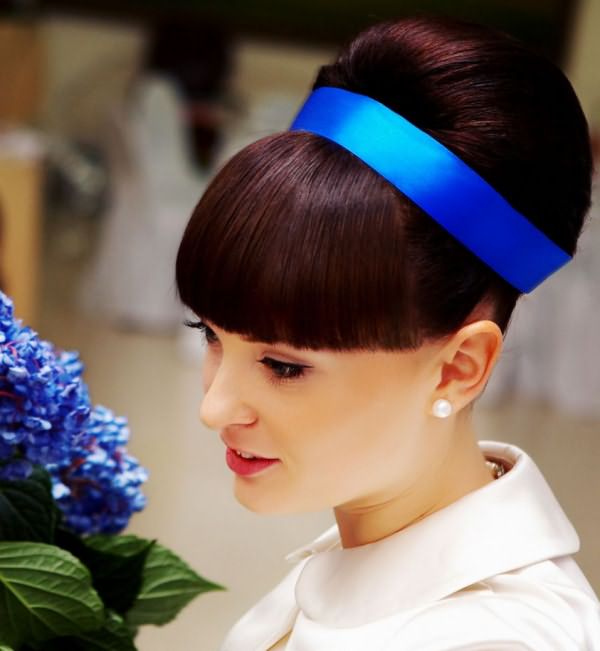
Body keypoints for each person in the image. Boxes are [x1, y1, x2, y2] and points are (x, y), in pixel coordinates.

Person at [175, 16, 600, 650]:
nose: (214, 408)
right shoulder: (367, 551)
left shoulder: (487, 640)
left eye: (284, 366)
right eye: (210, 334)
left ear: (458, 368)